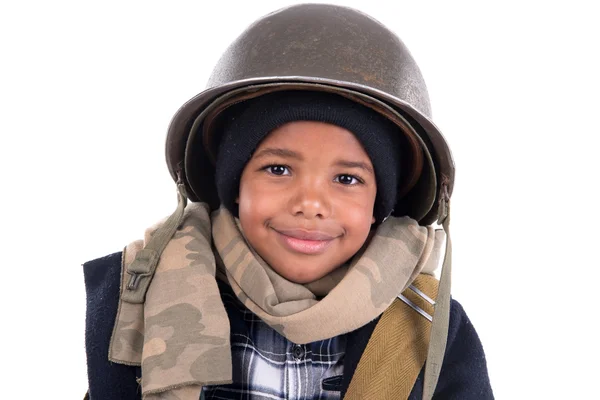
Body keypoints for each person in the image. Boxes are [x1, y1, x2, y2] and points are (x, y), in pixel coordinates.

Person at [83, 4, 493, 399]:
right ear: (234, 186)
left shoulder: (428, 328)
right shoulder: (147, 300)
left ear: (379, 208)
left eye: (346, 178)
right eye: (278, 170)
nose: (311, 203)